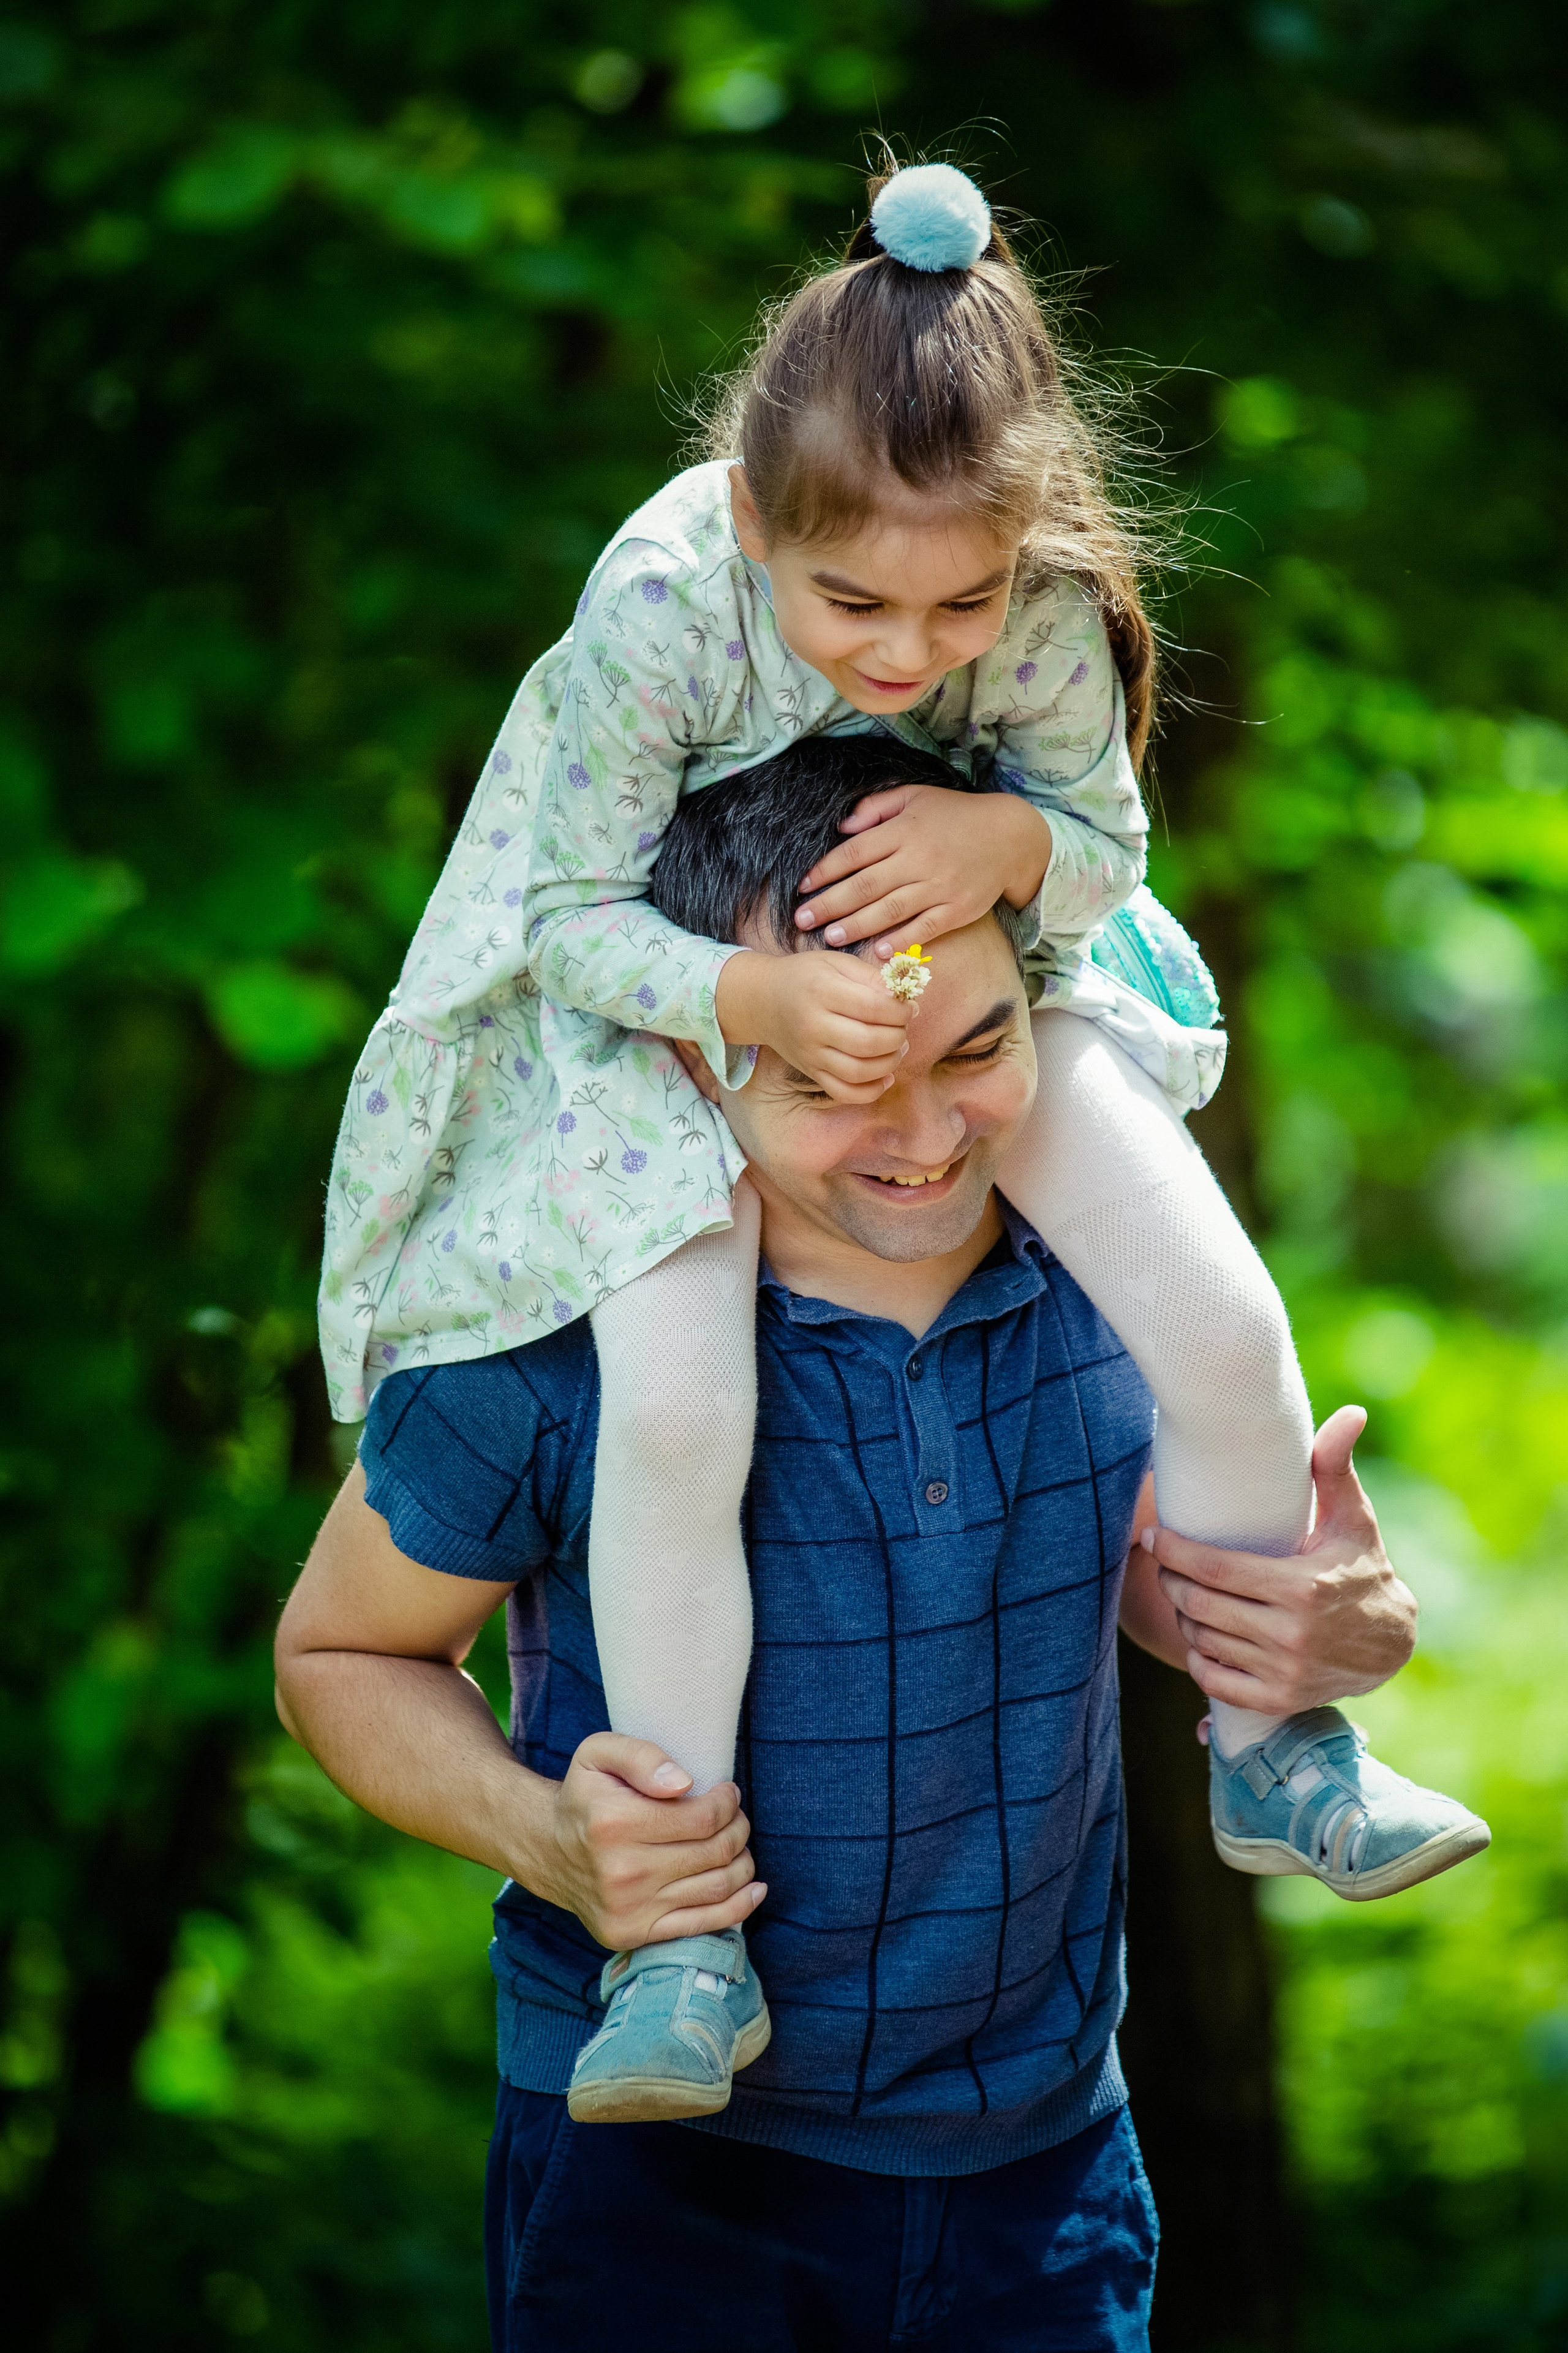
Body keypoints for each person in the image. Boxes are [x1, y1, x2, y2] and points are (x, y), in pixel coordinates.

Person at [315, 161, 1487, 2125]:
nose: (902, 648)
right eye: (851, 600)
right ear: (761, 523)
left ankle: (1281, 1758)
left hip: (969, 957)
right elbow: (567, 919)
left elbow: (1104, 845)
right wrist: (755, 1010)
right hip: (666, 1000)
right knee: (678, 1411)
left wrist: (1011, 839)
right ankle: (680, 1942)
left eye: (956, 601)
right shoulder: (669, 599)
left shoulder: (1022, 606)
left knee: (1215, 1312)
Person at [279, 741, 1434, 2351]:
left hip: (1045, 2171)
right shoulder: (557, 1330)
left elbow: (1124, 1575)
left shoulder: (1113, 1260)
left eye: (977, 1045)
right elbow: (341, 1649)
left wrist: (1314, 1630)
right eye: (832, 1081)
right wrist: (542, 1833)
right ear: (700, 1057)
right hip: (662, 2181)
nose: (926, 1134)